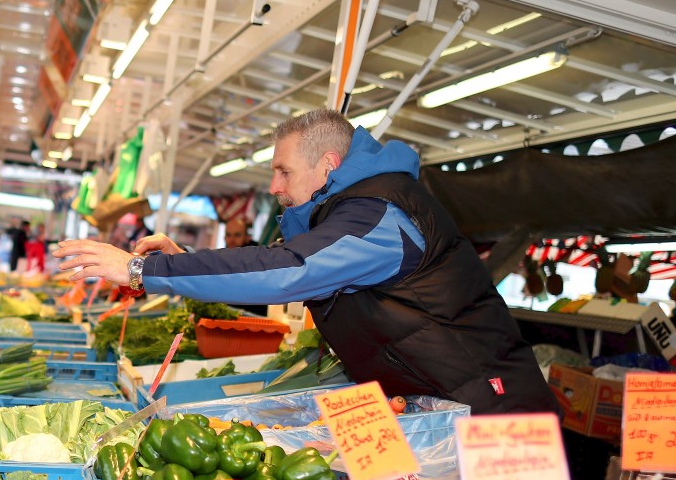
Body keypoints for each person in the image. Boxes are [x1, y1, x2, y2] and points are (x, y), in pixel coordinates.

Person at [56, 108, 555, 415]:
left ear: (328, 166)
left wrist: (144, 271)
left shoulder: (381, 214)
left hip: (492, 410)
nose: (274, 187)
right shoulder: (350, 213)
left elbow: (290, 270)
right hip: (437, 402)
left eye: (282, 171)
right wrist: (188, 260)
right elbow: (284, 261)